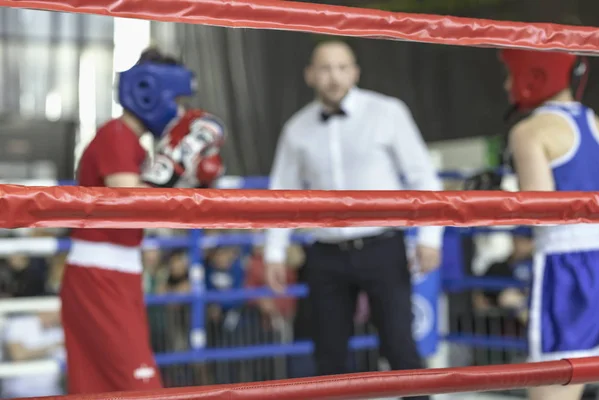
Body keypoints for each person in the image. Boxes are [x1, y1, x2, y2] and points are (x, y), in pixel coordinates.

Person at [264, 40, 443, 400]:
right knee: (328, 355)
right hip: (325, 253)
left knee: (400, 348)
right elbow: (280, 192)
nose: (334, 76)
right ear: (310, 75)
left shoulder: (387, 112)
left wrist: (430, 237)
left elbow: (424, 176)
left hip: (383, 246)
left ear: (355, 72)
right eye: (325, 68)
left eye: (342, 67)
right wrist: (273, 252)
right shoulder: (296, 128)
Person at [60, 48, 226, 394]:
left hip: (116, 272)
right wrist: (174, 167)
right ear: (149, 91)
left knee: (102, 385)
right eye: (175, 98)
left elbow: (150, 201)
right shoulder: (116, 135)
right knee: (139, 383)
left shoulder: (133, 144)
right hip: (100, 274)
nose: (178, 110)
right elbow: (127, 196)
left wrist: (190, 177)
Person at [501, 48, 596, 400]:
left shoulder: (530, 132)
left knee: (554, 391)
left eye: (511, 74)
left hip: (567, 268)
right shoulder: (596, 122)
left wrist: (501, 202)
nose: (508, 84)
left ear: (533, 74)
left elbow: (539, 210)